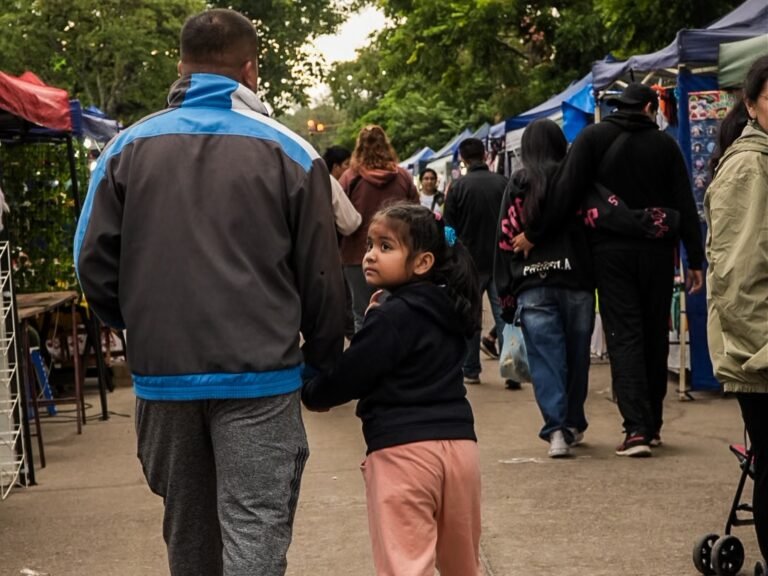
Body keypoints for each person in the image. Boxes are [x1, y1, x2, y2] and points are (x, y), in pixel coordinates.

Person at [73, 9, 345, 575]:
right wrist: (321, 361)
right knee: (256, 531)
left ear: (181, 66)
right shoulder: (292, 152)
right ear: (251, 71)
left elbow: (90, 259)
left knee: (188, 531)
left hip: (163, 376)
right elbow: (322, 272)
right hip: (261, 375)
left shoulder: (125, 149)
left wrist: (137, 325)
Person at [513, 82, 704, 457]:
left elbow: (565, 194)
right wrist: (695, 259)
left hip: (610, 252)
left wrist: (534, 235)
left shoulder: (592, 138)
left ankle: (635, 430)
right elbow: (685, 200)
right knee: (653, 331)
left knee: (624, 333)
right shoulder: (666, 145)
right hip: (657, 252)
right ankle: (653, 425)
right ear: (651, 107)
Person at [302, 202, 482, 576]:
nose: (369, 256)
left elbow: (353, 372)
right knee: (462, 565)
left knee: (406, 566)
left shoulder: (393, 316)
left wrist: (313, 391)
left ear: (422, 262)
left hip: (403, 454)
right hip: (461, 450)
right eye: (369, 244)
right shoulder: (451, 309)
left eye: (385, 247)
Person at [495, 119, 595, 458]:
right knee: (577, 357)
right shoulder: (576, 182)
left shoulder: (519, 183)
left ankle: (556, 432)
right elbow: (591, 225)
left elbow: (506, 238)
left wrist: (505, 291)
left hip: (532, 285)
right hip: (577, 281)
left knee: (546, 361)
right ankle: (574, 422)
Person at [705, 54, 768, 570]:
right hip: (761, 357)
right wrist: (762, 353)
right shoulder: (751, 165)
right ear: (751, 105)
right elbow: (739, 277)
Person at [339, 125, 419, 333]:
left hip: (358, 256)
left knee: (361, 314)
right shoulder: (402, 176)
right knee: (400, 310)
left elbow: (337, 214)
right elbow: (418, 214)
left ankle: (366, 360)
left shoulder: (350, 178)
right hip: (400, 255)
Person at [444, 137, 508, 385]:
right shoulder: (503, 182)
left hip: (468, 262)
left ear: (463, 158)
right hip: (501, 260)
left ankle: (471, 368)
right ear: (484, 155)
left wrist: (450, 258)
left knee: (471, 314)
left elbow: (449, 229)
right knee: (504, 315)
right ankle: (511, 368)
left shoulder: (458, 187)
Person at [323, 145, 362, 236]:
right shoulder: (331, 183)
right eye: (347, 164)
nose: (350, 168)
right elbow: (350, 223)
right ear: (336, 166)